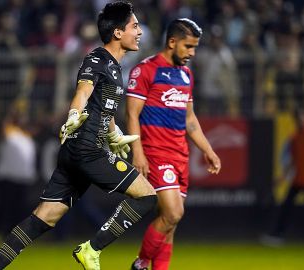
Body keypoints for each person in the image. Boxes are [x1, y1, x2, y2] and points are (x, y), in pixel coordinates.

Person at [0, 2, 157, 270]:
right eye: (135, 26)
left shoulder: (116, 68)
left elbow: (101, 106)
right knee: (147, 196)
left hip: (79, 150)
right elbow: (83, 92)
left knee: (44, 217)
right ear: (118, 33)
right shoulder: (97, 58)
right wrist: (73, 115)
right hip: (87, 149)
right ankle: (91, 249)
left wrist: (113, 133)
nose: (140, 32)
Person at [126, 18, 221, 270]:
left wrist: (208, 149)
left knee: (170, 225)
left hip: (180, 155)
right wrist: (138, 152)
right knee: (173, 213)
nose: (192, 53)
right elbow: (132, 114)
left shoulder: (186, 75)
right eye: (188, 47)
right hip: (156, 153)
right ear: (172, 42)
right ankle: (141, 262)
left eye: (195, 47)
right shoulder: (145, 70)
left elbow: (190, 119)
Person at [261, 107, 304, 248]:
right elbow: (293, 160)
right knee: (286, 207)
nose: (299, 120)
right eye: (297, 118)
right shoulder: (295, 137)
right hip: (299, 178)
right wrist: (282, 177)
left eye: (301, 117)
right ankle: (277, 235)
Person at [0, 104, 37, 242]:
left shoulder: (26, 136)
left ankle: (12, 234)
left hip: (23, 178)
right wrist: (12, 114)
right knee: (4, 206)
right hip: (7, 177)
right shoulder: (10, 132)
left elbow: (38, 126)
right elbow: (4, 128)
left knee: (19, 209)